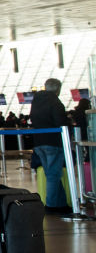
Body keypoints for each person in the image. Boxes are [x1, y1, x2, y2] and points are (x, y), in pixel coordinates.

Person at [31, 78, 71, 212]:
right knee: (54, 174)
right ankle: (51, 205)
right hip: (53, 142)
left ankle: (61, 203)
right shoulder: (56, 102)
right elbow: (60, 121)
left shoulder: (36, 101)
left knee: (51, 174)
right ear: (58, 89)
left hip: (38, 142)